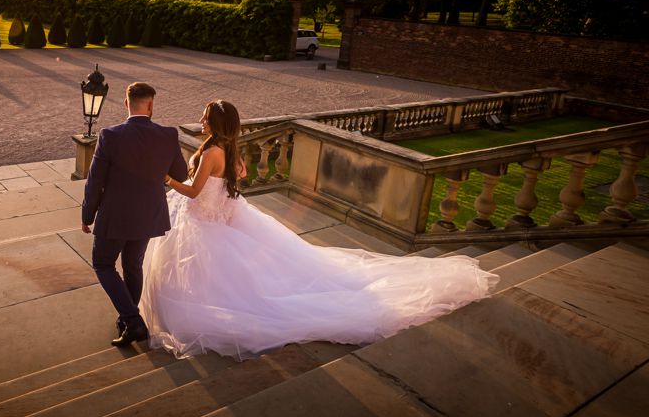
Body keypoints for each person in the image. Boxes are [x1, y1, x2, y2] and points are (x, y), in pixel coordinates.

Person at [142, 100, 498, 359]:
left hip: (204, 219)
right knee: (238, 271)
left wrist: (169, 177)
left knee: (212, 273)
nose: (201, 122)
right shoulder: (230, 149)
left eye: (205, 119)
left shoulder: (209, 154)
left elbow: (190, 190)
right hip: (219, 214)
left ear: (216, 123)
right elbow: (242, 175)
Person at [82, 82, 189, 348]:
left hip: (115, 216)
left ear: (126, 103)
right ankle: (127, 320)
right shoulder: (168, 134)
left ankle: (133, 320)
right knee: (132, 266)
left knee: (103, 264)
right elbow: (182, 175)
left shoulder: (110, 135)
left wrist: (87, 214)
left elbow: (95, 180)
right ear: (151, 105)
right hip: (147, 215)